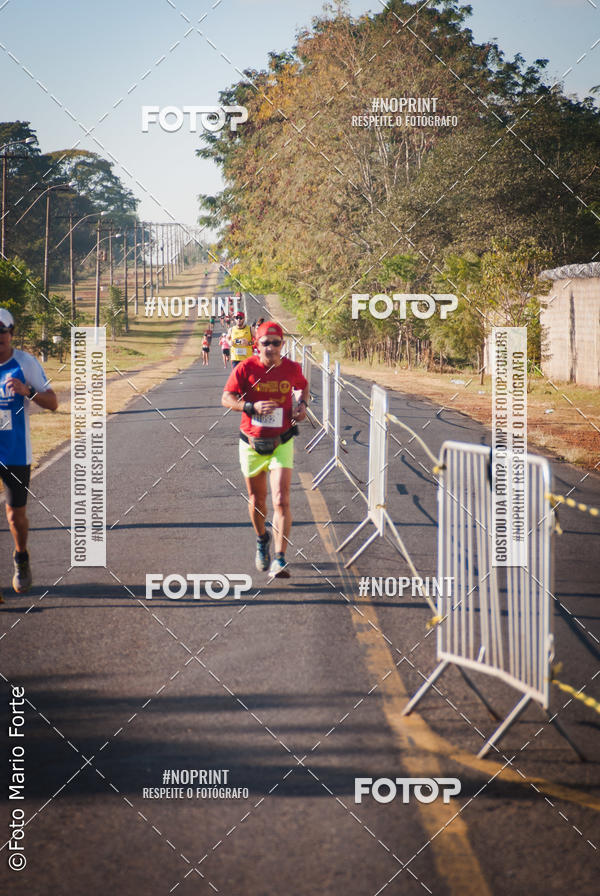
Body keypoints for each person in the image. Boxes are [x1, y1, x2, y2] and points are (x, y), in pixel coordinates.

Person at [221, 321, 309, 578]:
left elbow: (302, 386)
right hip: (251, 443)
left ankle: (280, 558)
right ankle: (262, 539)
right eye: (265, 343)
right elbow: (226, 398)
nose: (271, 348)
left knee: (281, 500)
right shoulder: (246, 368)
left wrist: (301, 405)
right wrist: (250, 407)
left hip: (282, 441)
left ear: (283, 345)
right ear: (256, 345)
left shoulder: (292, 368)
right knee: (257, 501)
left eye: (276, 343)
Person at [0, 308, 58, 600]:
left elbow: (53, 402)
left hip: (14, 451)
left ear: (11, 333)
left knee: (15, 516)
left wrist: (27, 391)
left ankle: (21, 556)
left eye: (2, 333)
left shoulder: (25, 363)